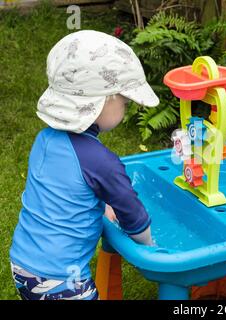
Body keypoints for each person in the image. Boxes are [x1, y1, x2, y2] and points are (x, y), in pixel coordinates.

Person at [9, 30, 159, 300]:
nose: (125, 109)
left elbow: (66, 192)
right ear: (103, 101)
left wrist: (102, 205)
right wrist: (151, 244)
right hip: (58, 279)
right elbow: (134, 216)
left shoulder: (43, 140)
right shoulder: (103, 162)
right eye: (124, 101)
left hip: (22, 263)